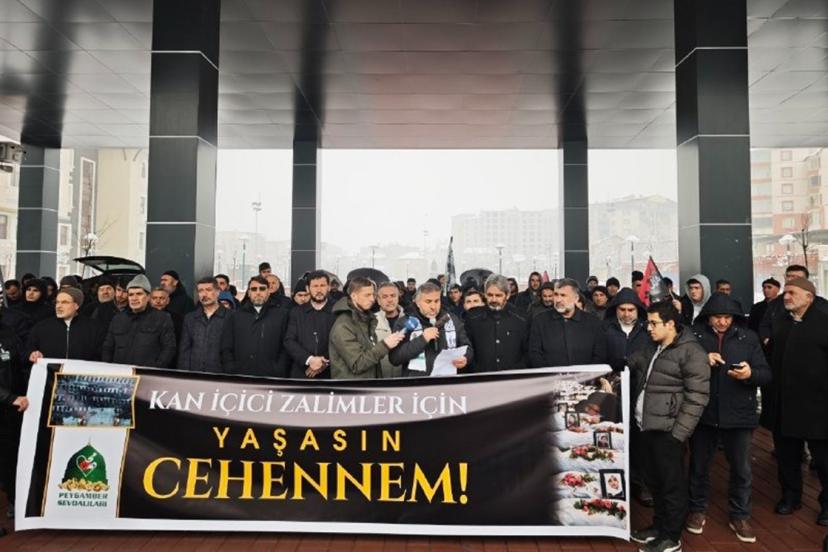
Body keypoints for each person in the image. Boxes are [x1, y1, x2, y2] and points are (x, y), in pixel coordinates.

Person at [686, 292, 771, 543]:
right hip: (704, 412)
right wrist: (703, 361)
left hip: (739, 414)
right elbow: (679, 367)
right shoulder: (694, 336)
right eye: (717, 317)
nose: (722, 322)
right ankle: (697, 509)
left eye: (727, 317)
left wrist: (750, 374)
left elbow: (766, 374)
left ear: (734, 317)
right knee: (698, 466)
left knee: (742, 469)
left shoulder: (749, 337)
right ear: (708, 317)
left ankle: (740, 515)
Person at [629, 300, 709, 552]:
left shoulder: (691, 352)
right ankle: (659, 527)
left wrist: (678, 434)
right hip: (647, 426)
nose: (649, 328)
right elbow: (631, 364)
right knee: (654, 483)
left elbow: (698, 397)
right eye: (648, 323)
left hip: (669, 432)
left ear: (670, 324)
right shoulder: (653, 347)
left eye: (654, 323)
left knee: (671, 485)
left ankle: (671, 537)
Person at [762, 277, 828, 526]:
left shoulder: (824, 323)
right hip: (785, 406)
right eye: (785, 292)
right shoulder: (781, 323)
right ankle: (790, 497)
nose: (786, 297)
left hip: (818, 408)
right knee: (787, 456)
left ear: (809, 297)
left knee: (823, 460)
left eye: (792, 293)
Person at [603, 287, 652, 507]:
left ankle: (640, 484)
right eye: (622, 309)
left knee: (641, 440)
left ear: (638, 310)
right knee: (614, 435)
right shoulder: (605, 329)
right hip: (613, 390)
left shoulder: (647, 330)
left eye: (630, 310)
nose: (626, 314)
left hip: (640, 390)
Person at [389, 282, 473, 376]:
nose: (433, 307)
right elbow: (394, 358)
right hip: (417, 382)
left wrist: (465, 358)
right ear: (417, 302)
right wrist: (422, 339)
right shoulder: (405, 322)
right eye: (428, 302)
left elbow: (467, 347)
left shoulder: (451, 319)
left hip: (447, 380)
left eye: (436, 301)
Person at [330, 277, 403, 379]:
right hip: (354, 387)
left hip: (369, 385)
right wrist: (385, 345)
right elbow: (357, 364)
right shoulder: (343, 325)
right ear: (354, 296)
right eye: (367, 295)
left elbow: (370, 357)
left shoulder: (366, 319)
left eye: (373, 295)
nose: (372, 299)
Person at [220, 275, 290, 377]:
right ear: (248, 293)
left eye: (262, 289)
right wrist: (231, 368)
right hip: (240, 376)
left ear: (268, 292)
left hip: (271, 376)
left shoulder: (282, 315)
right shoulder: (235, 316)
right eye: (253, 289)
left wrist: (279, 369)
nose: (258, 292)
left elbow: (286, 346)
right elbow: (226, 346)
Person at [102, 275, 177, 368]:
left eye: (139, 294)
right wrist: (109, 369)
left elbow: (169, 348)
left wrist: (155, 368)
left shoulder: (162, 318)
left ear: (148, 297)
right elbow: (107, 348)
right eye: (131, 295)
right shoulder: (117, 319)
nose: (134, 298)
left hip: (148, 374)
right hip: (120, 373)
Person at [528, 278, 606, 367]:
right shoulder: (540, 321)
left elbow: (600, 355)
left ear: (576, 298)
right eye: (556, 294)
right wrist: (550, 374)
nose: (558, 300)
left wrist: (585, 374)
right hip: (549, 375)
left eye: (563, 295)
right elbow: (535, 354)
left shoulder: (593, 323)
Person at [465, 274, 528, 372]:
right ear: (485, 294)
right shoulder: (473, 318)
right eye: (490, 295)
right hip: (480, 377)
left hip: (513, 377)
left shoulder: (520, 318)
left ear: (507, 295)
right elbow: (466, 349)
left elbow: (527, 352)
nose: (494, 299)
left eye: (498, 295)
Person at [27, 288, 104, 362]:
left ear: (76, 305)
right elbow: (28, 350)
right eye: (57, 302)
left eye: (65, 302)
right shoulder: (42, 327)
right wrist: (32, 354)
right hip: (49, 371)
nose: (58, 306)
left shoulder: (93, 327)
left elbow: (100, 356)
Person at [284, 271, 336, 379]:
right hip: (301, 373)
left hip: (330, 375)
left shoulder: (337, 311)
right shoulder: (296, 312)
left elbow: (341, 343)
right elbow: (289, 341)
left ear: (329, 287)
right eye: (315, 286)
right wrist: (310, 360)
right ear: (308, 289)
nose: (319, 290)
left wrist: (323, 362)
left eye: (322, 285)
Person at [0, 318, 27, 521]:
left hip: (11, 410)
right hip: (9, 400)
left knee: (11, 457)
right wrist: (10, 398)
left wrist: (33, 357)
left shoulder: (8, 331)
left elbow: (19, 361)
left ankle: (14, 500)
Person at [178, 277, 231, 373]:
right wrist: (184, 374)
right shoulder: (190, 318)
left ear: (218, 292)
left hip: (221, 374)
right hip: (195, 373)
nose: (204, 294)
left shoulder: (231, 317)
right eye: (200, 291)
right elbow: (185, 350)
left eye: (208, 290)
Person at [373, 281, 405, 378]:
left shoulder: (409, 319)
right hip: (380, 380)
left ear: (398, 298)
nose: (390, 300)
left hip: (404, 379)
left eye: (393, 296)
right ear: (378, 300)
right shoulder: (371, 321)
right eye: (385, 297)